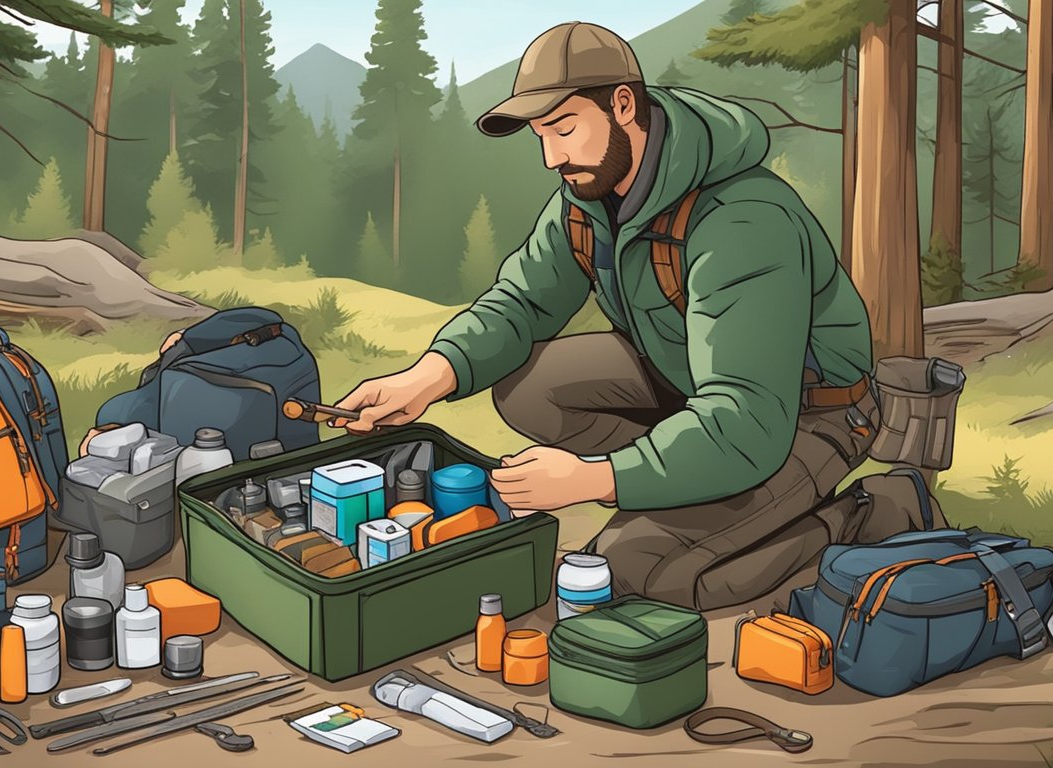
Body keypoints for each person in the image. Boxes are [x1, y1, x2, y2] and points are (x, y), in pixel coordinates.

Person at [331, 22, 878, 610]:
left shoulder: (744, 219)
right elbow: (521, 301)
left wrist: (595, 479)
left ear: (623, 105)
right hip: (689, 384)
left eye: (564, 129)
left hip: (805, 418)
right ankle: (683, 481)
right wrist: (429, 377)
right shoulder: (588, 192)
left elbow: (747, 416)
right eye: (541, 135)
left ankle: (863, 516)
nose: (551, 157)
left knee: (628, 569)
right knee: (527, 387)